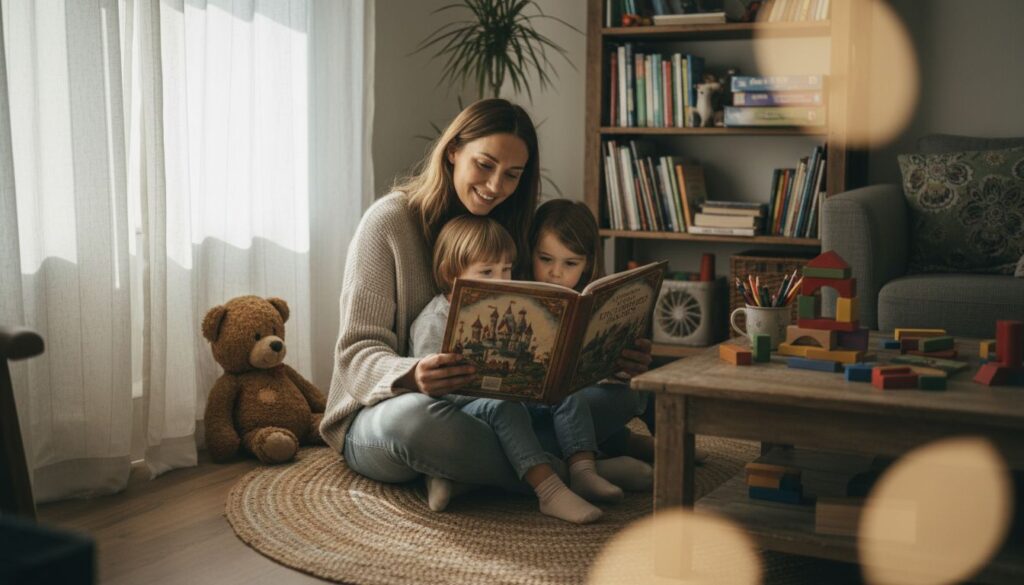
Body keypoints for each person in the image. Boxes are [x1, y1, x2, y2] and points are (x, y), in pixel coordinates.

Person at [320, 98, 653, 514]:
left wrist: (609, 360)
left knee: (623, 398)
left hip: (498, 410)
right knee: (416, 423)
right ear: (453, 150)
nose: (496, 185)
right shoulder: (388, 223)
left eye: (513, 175)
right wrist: (412, 374)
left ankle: (469, 473)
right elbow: (355, 356)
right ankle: (577, 469)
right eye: (485, 164)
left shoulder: (508, 227)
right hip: (387, 415)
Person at [409, 215, 625, 523]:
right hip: (463, 407)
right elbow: (434, 392)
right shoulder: (433, 320)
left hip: (510, 394)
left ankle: (583, 470)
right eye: (487, 271)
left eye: (506, 269)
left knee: (567, 394)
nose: (501, 280)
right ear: (450, 273)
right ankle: (549, 492)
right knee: (504, 408)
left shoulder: (505, 306)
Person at [528, 199, 656, 463]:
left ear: (587, 263)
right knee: (565, 413)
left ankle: (669, 447)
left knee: (642, 387)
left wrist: (621, 368)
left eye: (570, 263)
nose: (555, 273)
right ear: (530, 252)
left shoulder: (590, 305)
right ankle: (618, 443)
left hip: (579, 397)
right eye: (545, 259)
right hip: (533, 409)